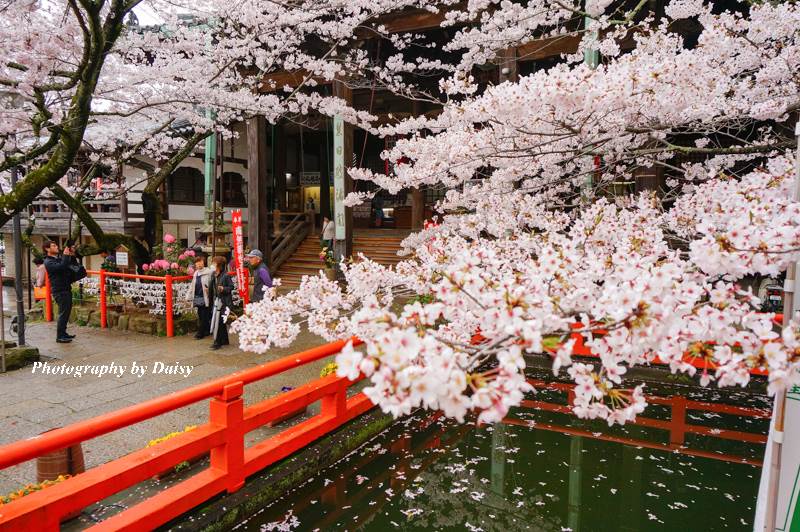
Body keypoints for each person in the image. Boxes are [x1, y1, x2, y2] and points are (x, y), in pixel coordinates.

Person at [43, 240, 77, 343]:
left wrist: (71, 255)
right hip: (60, 290)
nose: (57, 247)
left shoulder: (56, 259)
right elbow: (62, 267)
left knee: (66, 313)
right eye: (53, 246)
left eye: (56, 245)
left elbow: (69, 265)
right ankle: (60, 336)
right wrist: (66, 256)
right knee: (63, 313)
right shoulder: (48, 262)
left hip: (65, 288)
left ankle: (63, 333)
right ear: (47, 249)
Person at [209, 256, 234, 350]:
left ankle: (217, 342)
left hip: (224, 302)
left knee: (218, 322)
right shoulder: (213, 275)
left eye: (214, 263)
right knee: (220, 322)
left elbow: (231, 287)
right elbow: (213, 287)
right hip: (216, 300)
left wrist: (223, 289)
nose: (212, 265)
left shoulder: (226, 275)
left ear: (219, 265)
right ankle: (225, 340)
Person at [185, 254, 213, 339]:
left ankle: (200, 333)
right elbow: (192, 286)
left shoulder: (208, 272)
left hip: (205, 297)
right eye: (197, 263)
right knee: (201, 314)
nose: (199, 264)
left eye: (200, 262)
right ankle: (207, 330)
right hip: (197, 296)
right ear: (195, 265)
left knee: (204, 315)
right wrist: (187, 297)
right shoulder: (196, 273)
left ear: (203, 262)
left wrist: (209, 289)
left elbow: (213, 284)